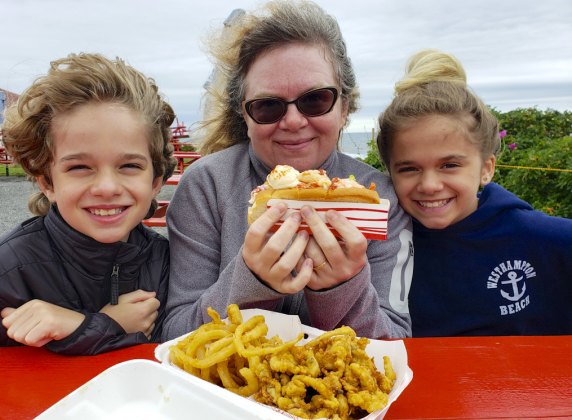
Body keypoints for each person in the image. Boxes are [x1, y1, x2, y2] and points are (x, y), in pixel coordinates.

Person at [162, 0, 413, 341]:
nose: (294, 121)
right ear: (245, 115)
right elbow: (174, 335)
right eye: (268, 105)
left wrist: (342, 287)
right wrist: (252, 281)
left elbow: (395, 343)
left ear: (344, 107)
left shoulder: (379, 198)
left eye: (315, 100)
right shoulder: (206, 186)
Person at [0, 53, 176, 354]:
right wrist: (103, 326)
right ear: (47, 182)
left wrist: (87, 327)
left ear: (155, 182)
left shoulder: (167, 263)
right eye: (79, 168)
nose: (107, 187)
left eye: (129, 166)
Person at [376, 49, 572, 336]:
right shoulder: (380, 250)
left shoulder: (548, 241)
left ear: (486, 168)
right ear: (389, 171)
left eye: (450, 165)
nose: (429, 185)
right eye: (409, 169)